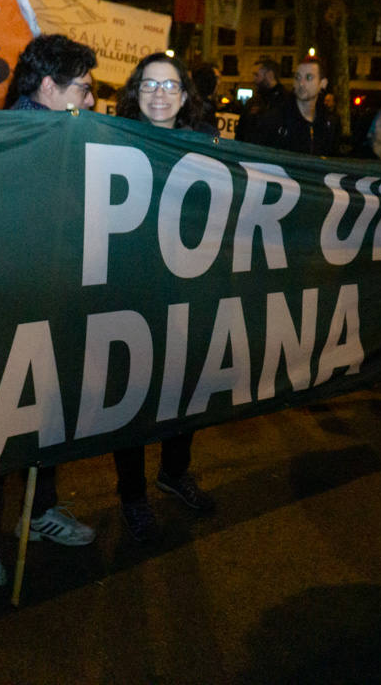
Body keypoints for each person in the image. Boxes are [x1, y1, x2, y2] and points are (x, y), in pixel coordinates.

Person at [0, 34, 98, 590]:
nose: (91, 102)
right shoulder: (5, 142)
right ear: (48, 87)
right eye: (83, 91)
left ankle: (38, 512)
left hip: (55, 299)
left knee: (48, 413)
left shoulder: (67, 134)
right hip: (7, 306)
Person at [113, 52, 217, 543]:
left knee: (184, 386)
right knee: (130, 397)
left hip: (183, 288)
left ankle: (175, 473)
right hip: (128, 291)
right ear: (135, 91)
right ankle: (132, 497)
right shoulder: (109, 140)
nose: (159, 93)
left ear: (184, 95)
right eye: (150, 84)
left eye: (169, 85)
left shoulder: (203, 149)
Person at [250, 56, 340, 156]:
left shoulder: (329, 123)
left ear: (323, 83)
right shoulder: (275, 119)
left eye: (309, 78)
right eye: (298, 77)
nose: (301, 83)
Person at [235, 57, 284, 143]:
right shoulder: (253, 102)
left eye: (256, 75)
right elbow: (241, 132)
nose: (254, 79)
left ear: (270, 75)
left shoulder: (286, 102)